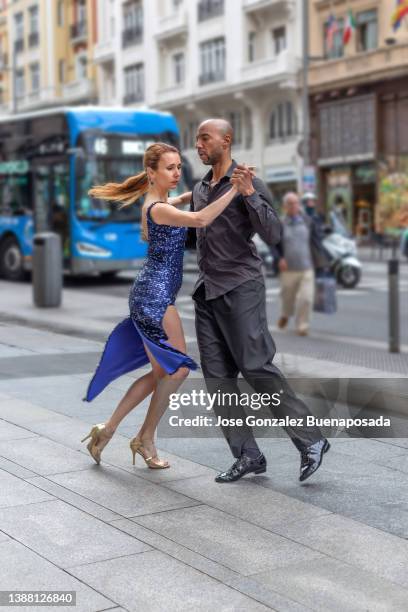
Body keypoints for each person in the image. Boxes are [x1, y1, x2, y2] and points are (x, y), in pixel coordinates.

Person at [81, 142, 239, 469]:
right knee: (176, 369)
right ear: (151, 173)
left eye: (179, 167)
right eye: (170, 168)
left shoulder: (157, 203)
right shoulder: (158, 209)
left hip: (154, 293)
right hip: (154, 296)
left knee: (161, 373)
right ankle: (143, 437)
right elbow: (201, 218)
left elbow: (181, 203)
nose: (177, 172)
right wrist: (234, 189)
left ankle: (110, 431)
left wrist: (188, 193)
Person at [191, 119, 330, 483]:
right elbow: (197, 235)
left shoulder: (246, 180)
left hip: (241, 285)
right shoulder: (200, 187)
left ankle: (311, 440)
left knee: (256, 367)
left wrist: (250, 193)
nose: (199, 145)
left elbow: (273, 233)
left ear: (227, 140)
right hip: (207, 291)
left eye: (205, 138)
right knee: (217, 378)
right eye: (197, 140)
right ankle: (248, 455)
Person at [275, 192, 328, 336]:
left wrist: (323, 262)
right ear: (285, 206)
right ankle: (285, 315)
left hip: (306, 267)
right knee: (287, 298)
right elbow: (274, 244)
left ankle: (302, 326)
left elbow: (317, 242)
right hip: (288, 269)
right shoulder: (280, 223)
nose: (294, 206)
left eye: (296, 203)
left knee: (306, 298)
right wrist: (280, 258)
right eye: (290, 203)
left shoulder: (307, 221)